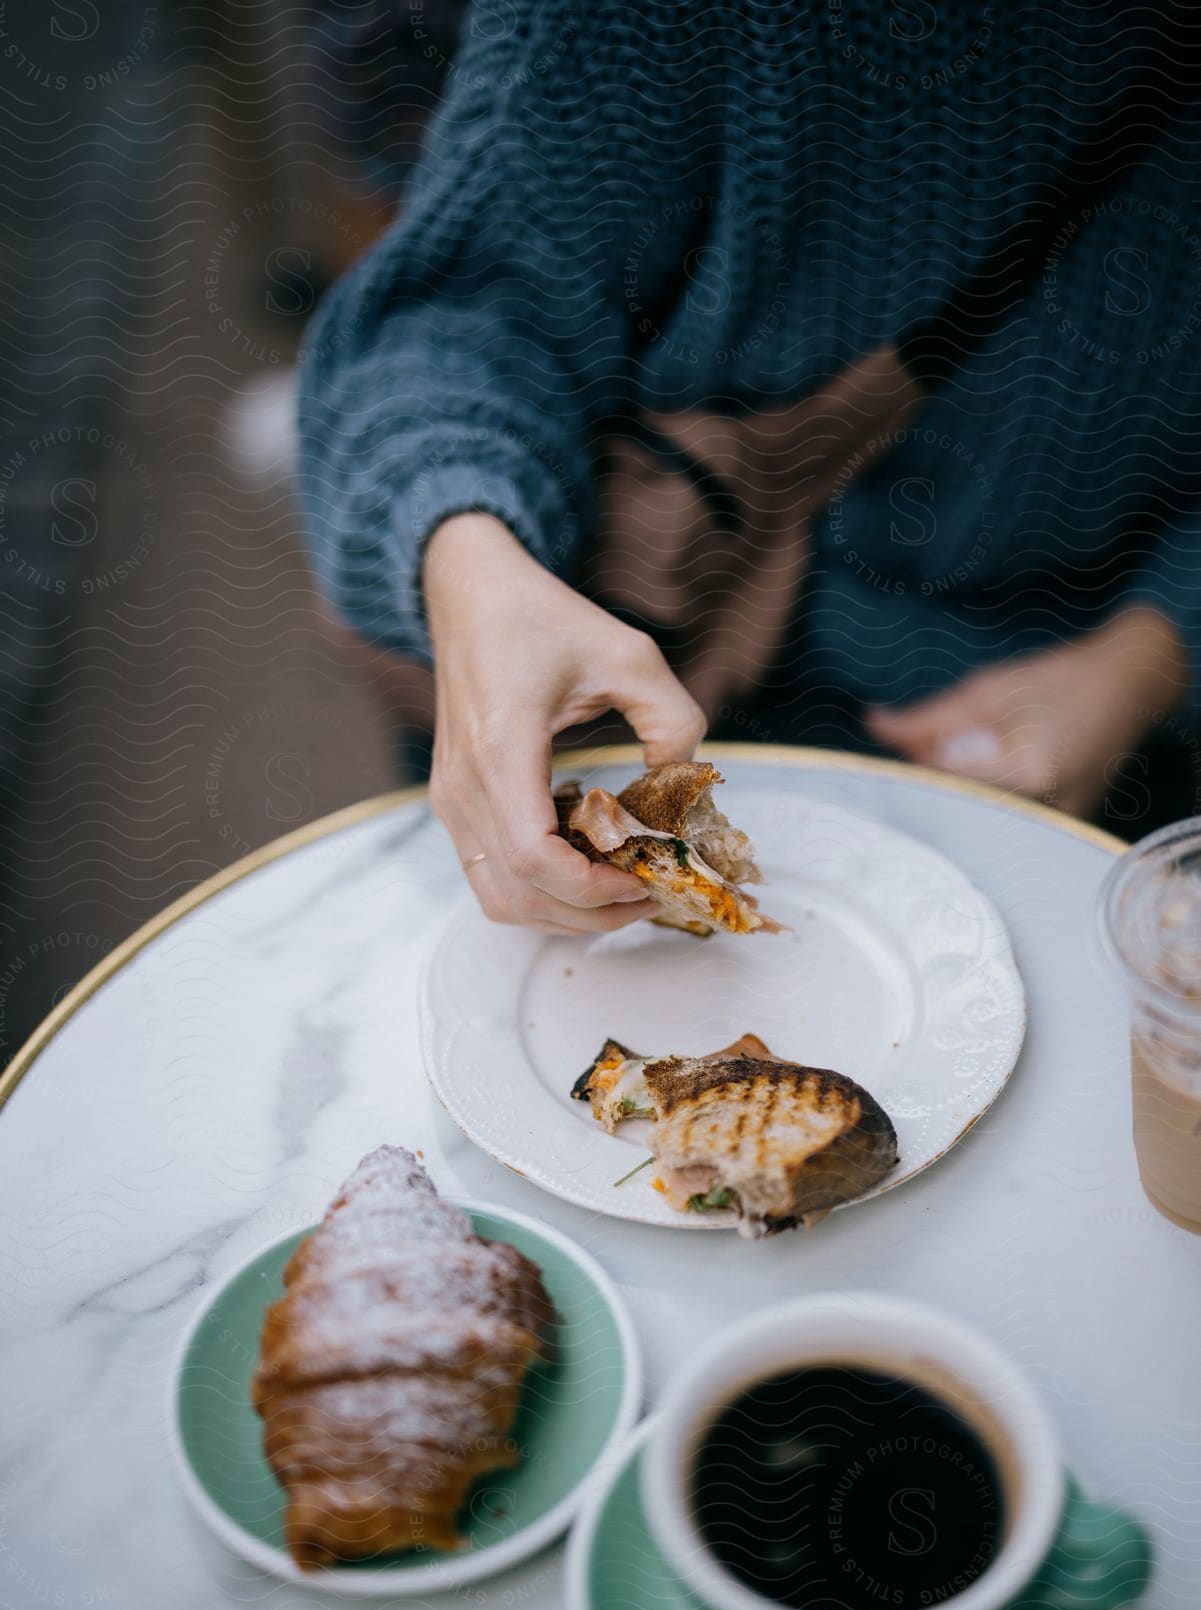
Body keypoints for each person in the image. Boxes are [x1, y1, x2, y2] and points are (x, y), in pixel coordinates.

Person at [297, 1, 1201, 934]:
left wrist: (1149, 655)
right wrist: (470, 566)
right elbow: (452, 318)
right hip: (626, 653)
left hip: (1070, 711)